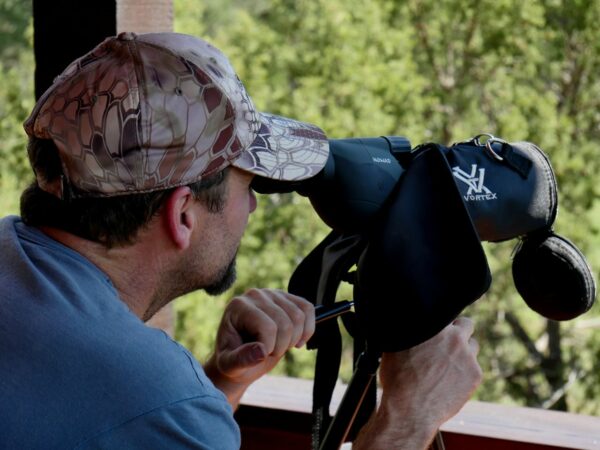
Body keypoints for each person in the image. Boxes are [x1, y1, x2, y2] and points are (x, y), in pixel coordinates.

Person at [0, 32, 481, 449]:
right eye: (249, 183)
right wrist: (408, 417)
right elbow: (137, 408)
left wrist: (217, 387)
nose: (251, 206)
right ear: (183, 213)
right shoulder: (151, 399)